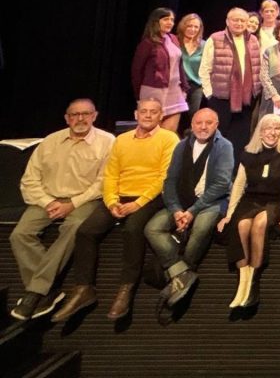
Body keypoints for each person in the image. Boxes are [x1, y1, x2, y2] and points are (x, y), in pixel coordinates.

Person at [53, 99, 177, 323]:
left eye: (153, 112)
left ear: (161, 116)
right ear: (136, 114)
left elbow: (164, 177)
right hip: (119, 197)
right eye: (144, 111)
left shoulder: (168, 139)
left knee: (132, 230)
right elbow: (110, 175)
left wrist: (137, 203)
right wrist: (111, 202)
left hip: (150, 197)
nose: (148, 115)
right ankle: (83, 289)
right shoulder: (121, 140)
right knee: (86, 231)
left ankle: (126, 290)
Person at [9, 99, 115, 321]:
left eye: (85, 114)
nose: (80, 119)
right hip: (47, 199)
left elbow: (103, 182)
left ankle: (36, 292)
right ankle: (48, 292)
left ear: (94, 116)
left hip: (85, 200)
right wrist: (47, 202)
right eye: (75, 115)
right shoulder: (50, 141)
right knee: (20, 234)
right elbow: (29, 180)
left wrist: (73, 204)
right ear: (67, 118)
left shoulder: (107, 142)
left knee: (74, 227)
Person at [145, 108, 234, 322]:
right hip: (181, 203)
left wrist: (192, 212)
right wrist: (176, 210)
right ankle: (182, 274)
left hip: (210, 202)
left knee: (202, 226)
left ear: (216, 125)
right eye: (199, 123)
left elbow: (222, 184)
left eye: (209, 123)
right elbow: (170, 180)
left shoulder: (224, 146)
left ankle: (182, 272)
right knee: (152, 228)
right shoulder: (182, 146)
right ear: (192, 125)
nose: (203, 127)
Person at [217, 114, 280, 310]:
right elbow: (238, 185)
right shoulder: (248, 153)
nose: (272, 132)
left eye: (277, 128)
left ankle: (253, 283)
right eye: (268, 128)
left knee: (259, 224)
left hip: (275, 200)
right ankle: (242, 283)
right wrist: (229, 214)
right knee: (242, 225)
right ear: (260, 132)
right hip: (251, 199)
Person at [199, 7, 262, 157]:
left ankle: (235, 174)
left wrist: (256, 91)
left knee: (240, 139)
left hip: (246, 100)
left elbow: (257, 67)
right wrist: (210, 94)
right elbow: (204, 69)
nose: (239, 23)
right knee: (219, 137)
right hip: (221, 98)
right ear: (227, 21)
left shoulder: (253, 40)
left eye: (243, 20)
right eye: (235, 20)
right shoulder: (215, 38)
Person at [131, 7, 190, 133]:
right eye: (166, 19)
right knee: (152, 132)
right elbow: (137, 71)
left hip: (174, 91)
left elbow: (179, 65)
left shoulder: (173, 39)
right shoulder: (148, 43)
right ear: (156, 21)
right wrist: (139, 96)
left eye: (172, 20)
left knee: (169, 133)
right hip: (153, 91)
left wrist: (184, 87)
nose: (170, 23)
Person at [176, 13, 205, 127]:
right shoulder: (175, 42)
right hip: (177, 85)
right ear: (183, 26)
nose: (192, 29)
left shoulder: (204, 45)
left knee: (192, 118)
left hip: (196, 86)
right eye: (189, 26)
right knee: (176, 117)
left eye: (196, 27)